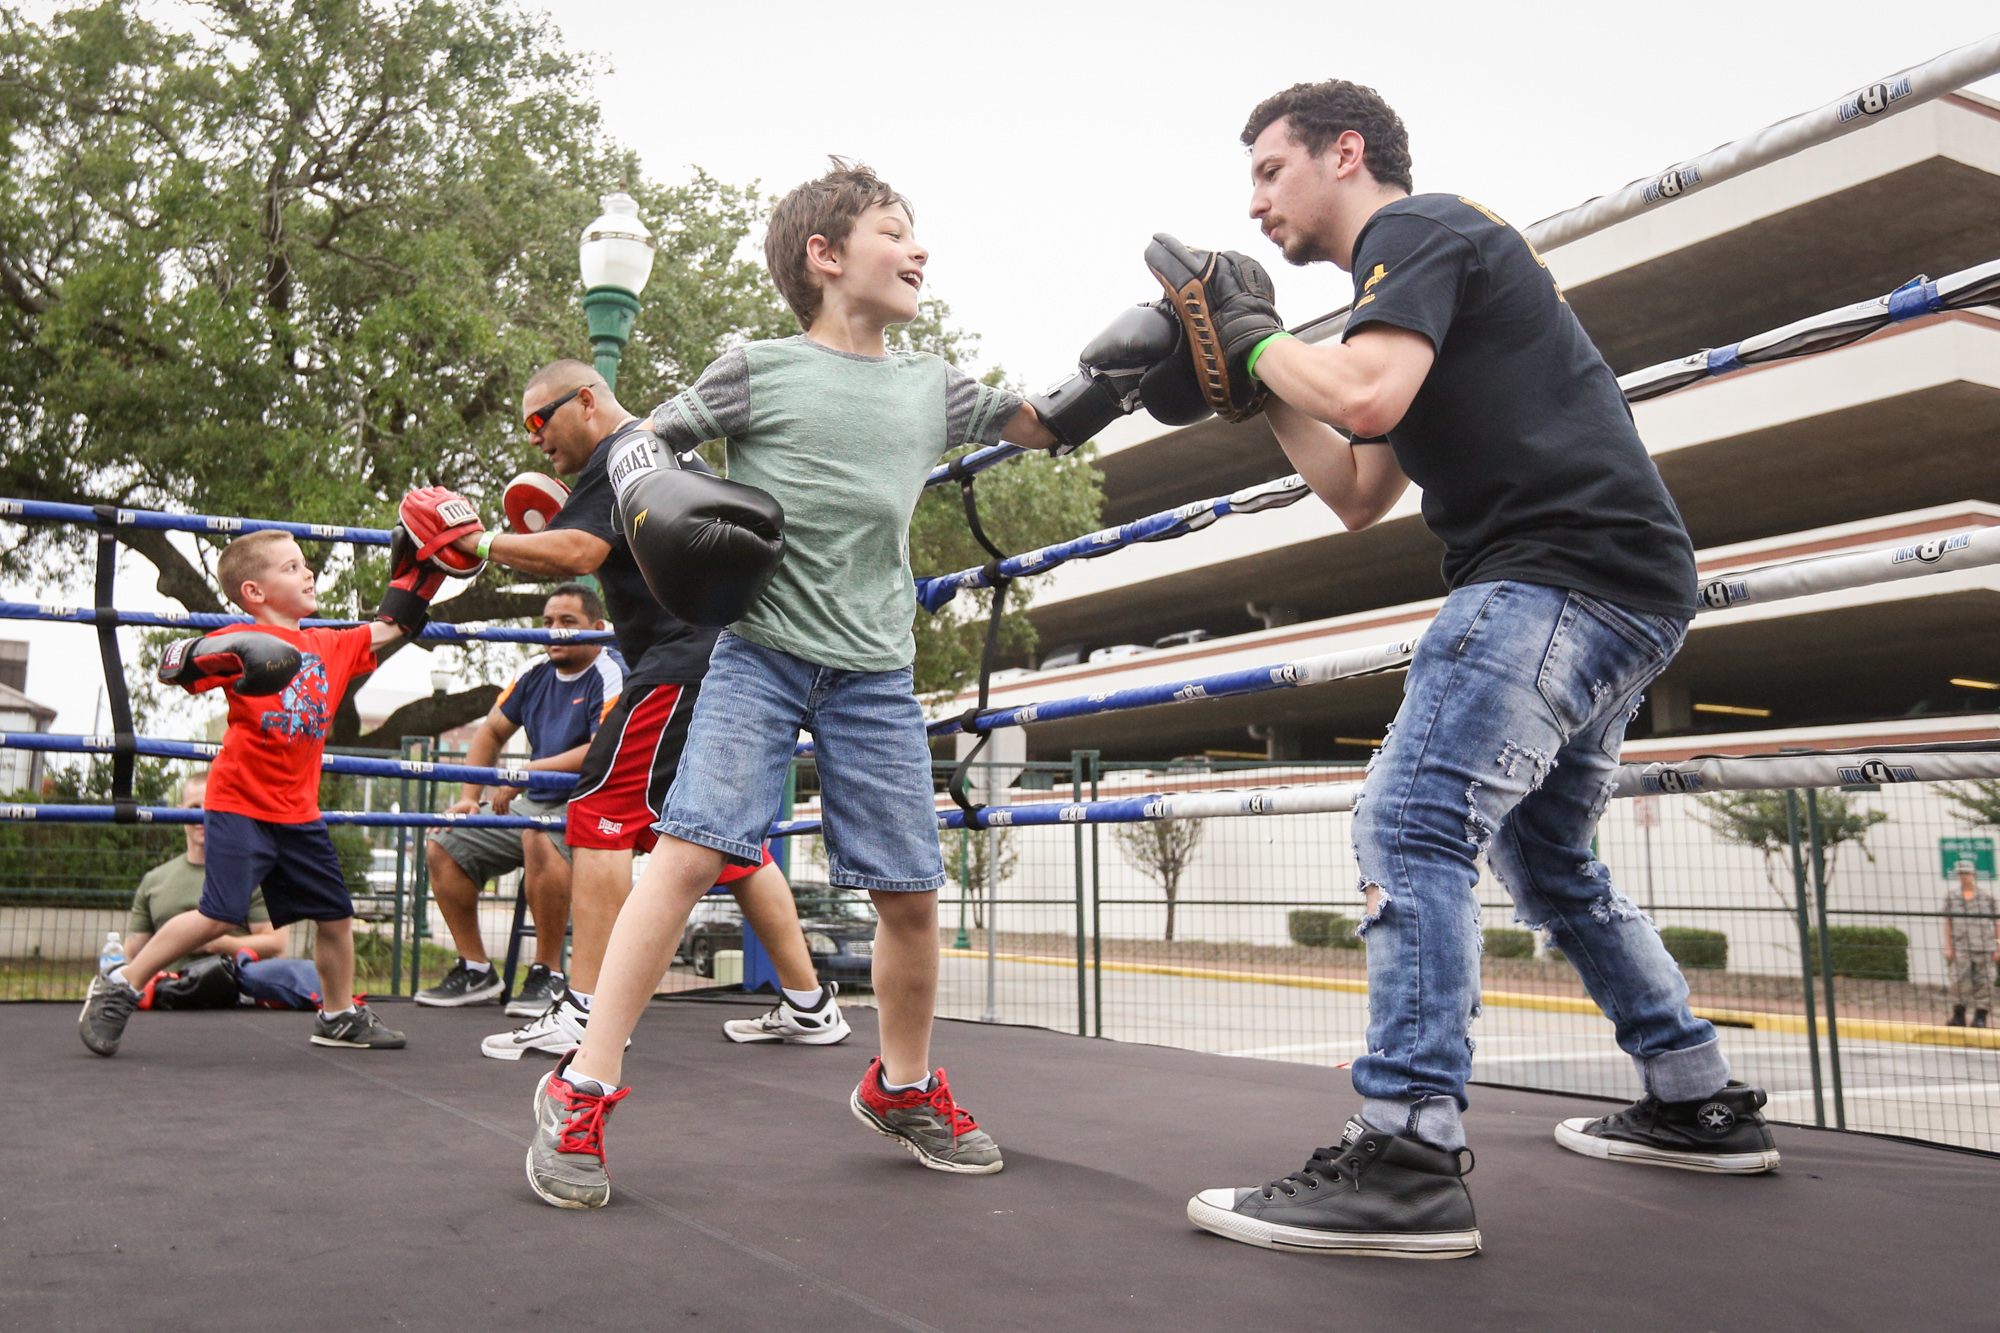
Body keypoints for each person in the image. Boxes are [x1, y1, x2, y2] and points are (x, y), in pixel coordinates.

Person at [1168, 82, 1777, 1259]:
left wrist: (1256, 338)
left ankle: (1404, 1153)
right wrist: (1254, 388)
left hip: (1556, 571)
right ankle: (1692, 1094)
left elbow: (1361, 391)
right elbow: (1355, 484)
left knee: (1410, 823)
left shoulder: (1419, 229)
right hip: (1616, 581)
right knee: (1545, 858)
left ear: (1345, 154)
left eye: (1267, 172)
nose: (1252, 206)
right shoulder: (1400, 296)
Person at [514, 159, 1066, 1210]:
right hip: (758, 657)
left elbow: (1035, 422)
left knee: (908, 890)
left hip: (873, 671)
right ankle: (582, 1085)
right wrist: (656, 511)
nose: (917, 250)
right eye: (895, 231)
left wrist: (1155, 362)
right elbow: (642, 444)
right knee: (678, 863)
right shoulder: (754, 369)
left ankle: (901, 1086)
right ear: (826, 256)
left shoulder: (931, 385)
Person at [436, 360, 840, 1065]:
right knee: (726, 844)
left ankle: (583, 1012)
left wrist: (471, 544)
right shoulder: (662, 449)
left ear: (586, 399)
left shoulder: (620, 451)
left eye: (541, 420)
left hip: (682, 662)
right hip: (730, 657)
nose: (535, 440)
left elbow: (576, 551)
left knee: (597, 814)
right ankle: (810, 1005)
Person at [78, 524, 443, 1054]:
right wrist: (226, 647)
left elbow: (392, 627)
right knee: (218, 914)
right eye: (291, 567)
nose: (308, 571)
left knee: (335, 915)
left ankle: (338, 1015)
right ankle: (122, 983)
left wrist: (426, 569)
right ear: (254, 592)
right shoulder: (234, 640)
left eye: (304, 563)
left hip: (297, 810)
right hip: (239, 802)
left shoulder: (331, 644)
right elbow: (171, 668)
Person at [416, 583, 623, 1017]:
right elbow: (490, 732)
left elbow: (601, 750)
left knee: (537, 834)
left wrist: (523, 774)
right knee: (444, 842)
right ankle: (476, 969)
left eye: (568, 622)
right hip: (536, 801)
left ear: (598, 628)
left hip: (593, 802)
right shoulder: (533, 671)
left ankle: (548, 973)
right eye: (547, 622)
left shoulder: (610, 669)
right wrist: (470, 797)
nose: (554, 631)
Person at [125, 774, 323, 1010]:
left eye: (211, 806)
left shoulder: (254, 874)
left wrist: (215, 941)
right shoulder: (154, 880)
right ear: (179, 812)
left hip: (234, 1004)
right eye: (195, 808)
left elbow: (276, 945)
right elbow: (133, 953)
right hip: (167, 1000)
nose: (203, 816)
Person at [1942, 859, 1997, 1027]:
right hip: (1961, 946)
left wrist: (1998, 946)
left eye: (1967, 873)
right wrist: (1948, 946)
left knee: (1986, 981)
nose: (1964, 876)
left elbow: (1997, 923)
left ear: (1973, 874)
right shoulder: (1952, 897)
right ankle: (1959, 1015)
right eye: (1961, 873)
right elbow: (1947, 922)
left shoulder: (1987, 896)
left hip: (1984, 946)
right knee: (1958, 981)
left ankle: (1980, 1016)